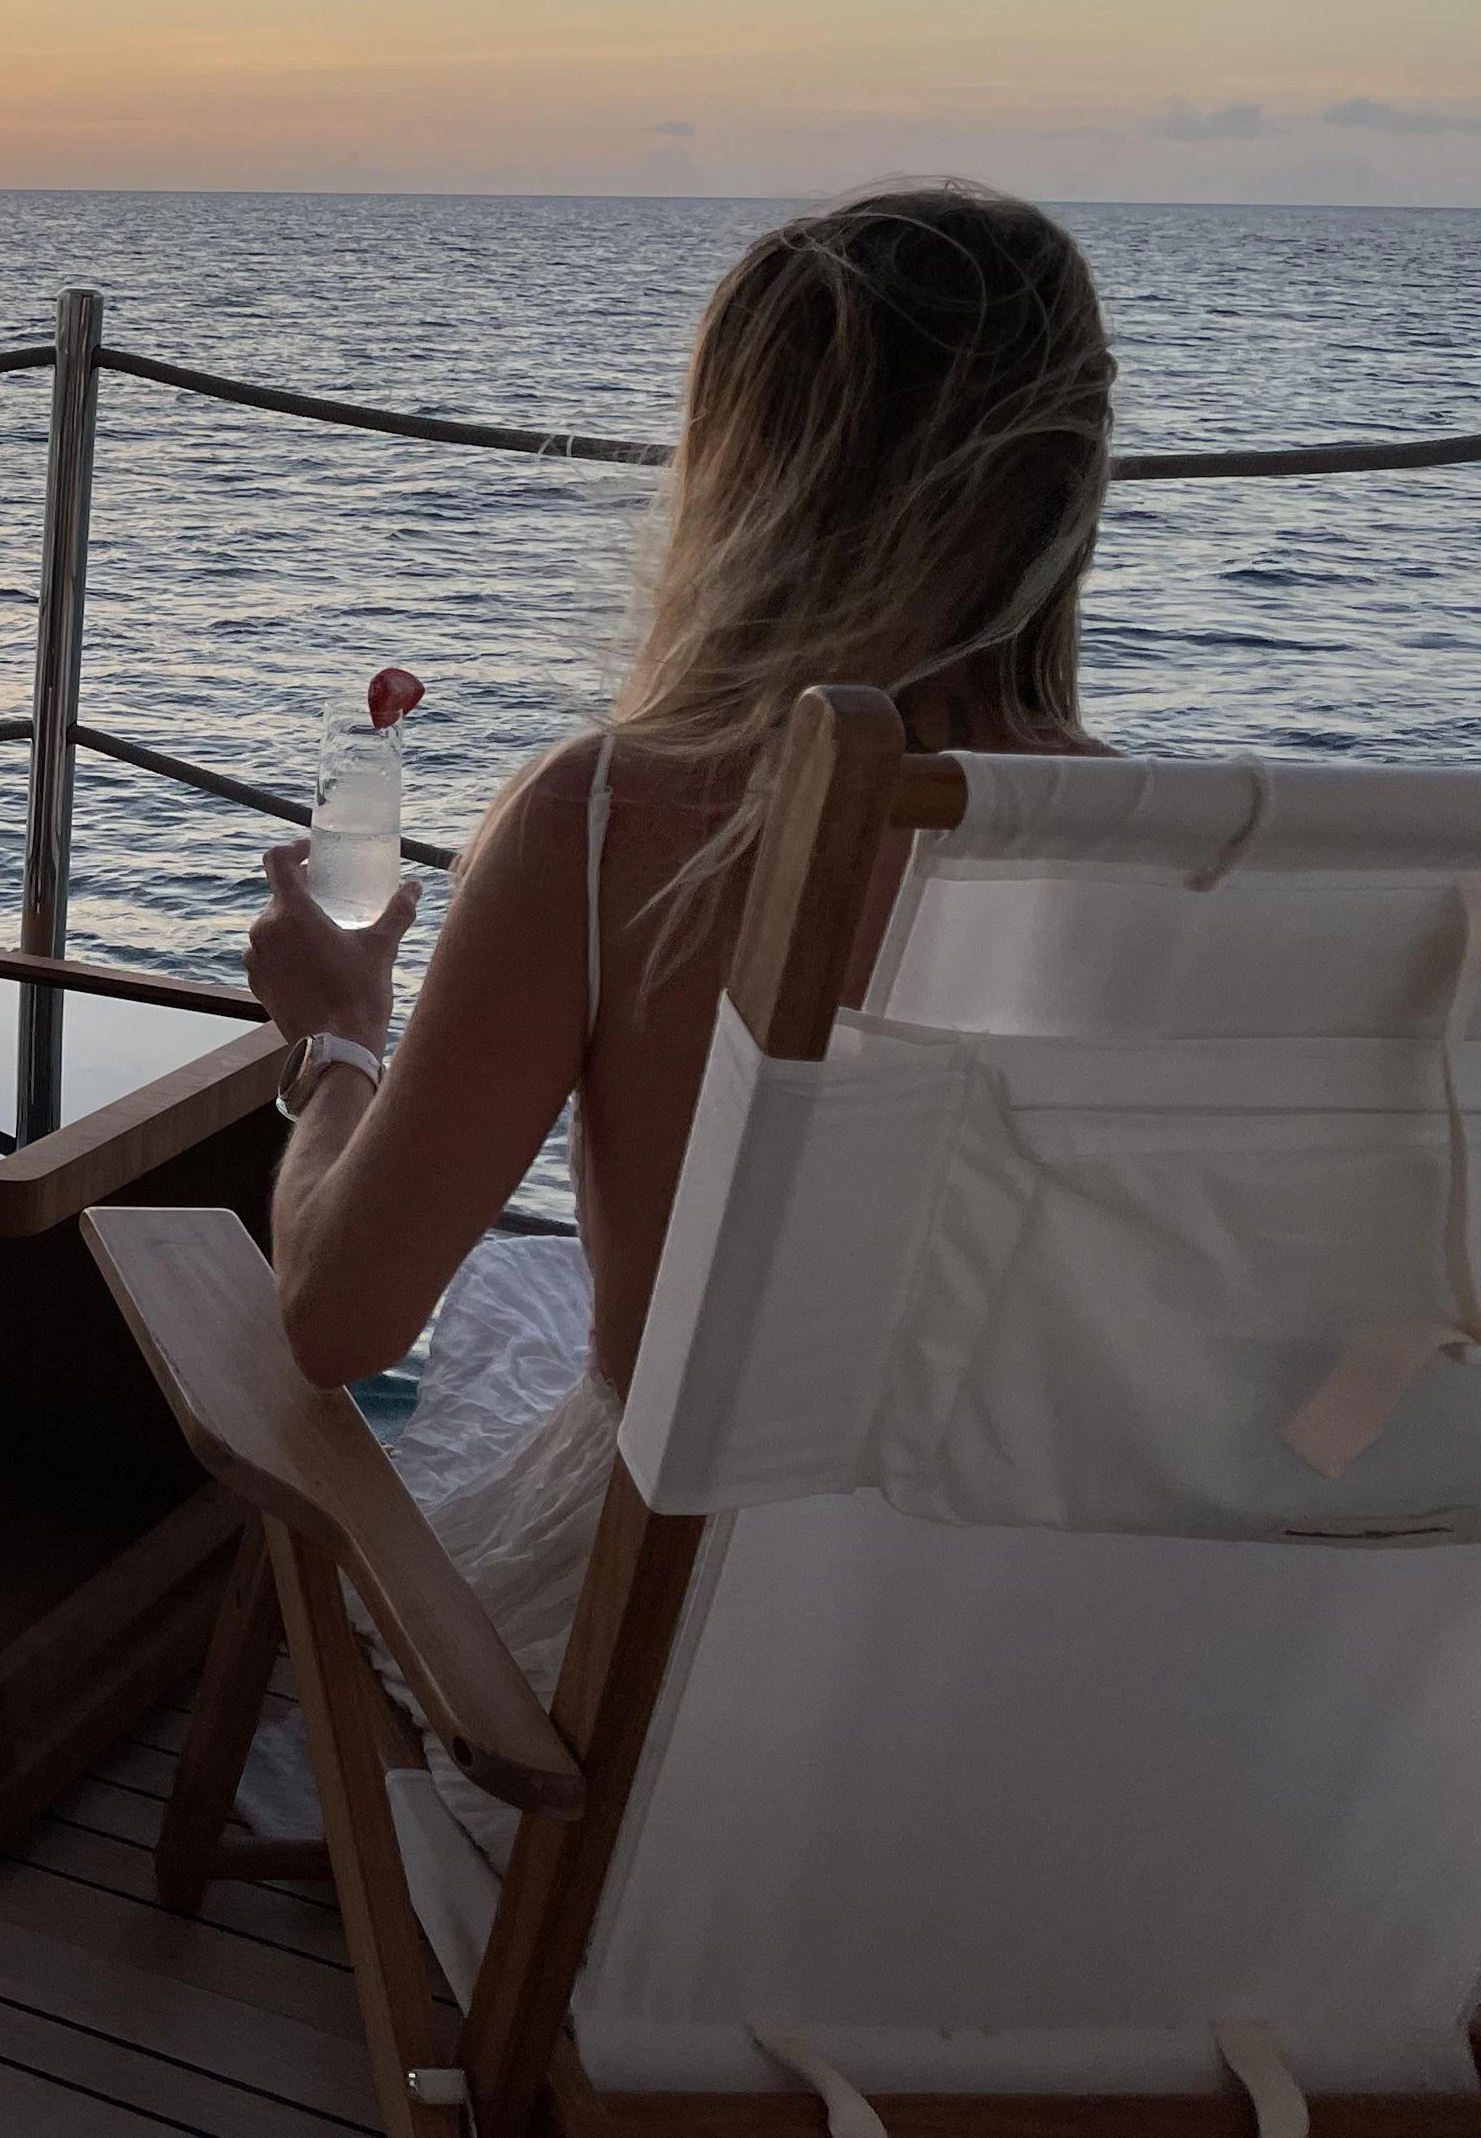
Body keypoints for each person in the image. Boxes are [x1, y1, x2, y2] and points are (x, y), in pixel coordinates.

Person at [237, 184, 1114, 1843]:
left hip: (678, 1708)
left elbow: (335, 1319)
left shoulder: (614, 816)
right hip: (1064, 1704)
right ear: (1066, 480)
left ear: (742, 466)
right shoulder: (1178, 857)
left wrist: (335, 1036)